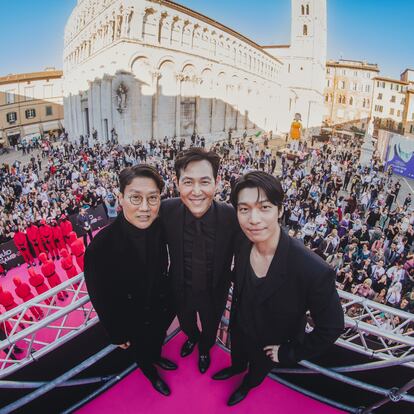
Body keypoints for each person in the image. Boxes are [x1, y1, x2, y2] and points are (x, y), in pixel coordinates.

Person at [212, 171, 344, 406]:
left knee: (254, 376)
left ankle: (245, 386)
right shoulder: (242, 241)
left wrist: (288, 353)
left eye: (264, 207)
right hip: (239, 328)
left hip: (269, 345)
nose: (253, 219)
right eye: (244, 209)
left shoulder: (313, 269)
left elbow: (332, 327)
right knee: (238, 359)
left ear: (280, 210)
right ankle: (235, 369)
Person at [84, 165, 176, 396]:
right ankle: (151, 374)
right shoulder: (100, 247)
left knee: (157, 340)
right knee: (142, 353)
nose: (144, 208)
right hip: (132, 320)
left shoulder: (160, 227)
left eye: (152, 198)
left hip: (160, 308)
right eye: (135, 198)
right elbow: (100, 297)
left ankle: (157, 357)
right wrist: (117, 334)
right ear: (120, 198)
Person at [160, 148, 239, 374]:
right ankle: (192, 338)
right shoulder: (166, 210)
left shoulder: (231, 216)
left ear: (217, 182)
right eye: (188, 182)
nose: (196, 191)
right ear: (176, 183)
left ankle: (205, 349)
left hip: (214, 291)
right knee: (186, 323)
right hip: (180, 288)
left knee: (211, 326)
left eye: (204, 182)